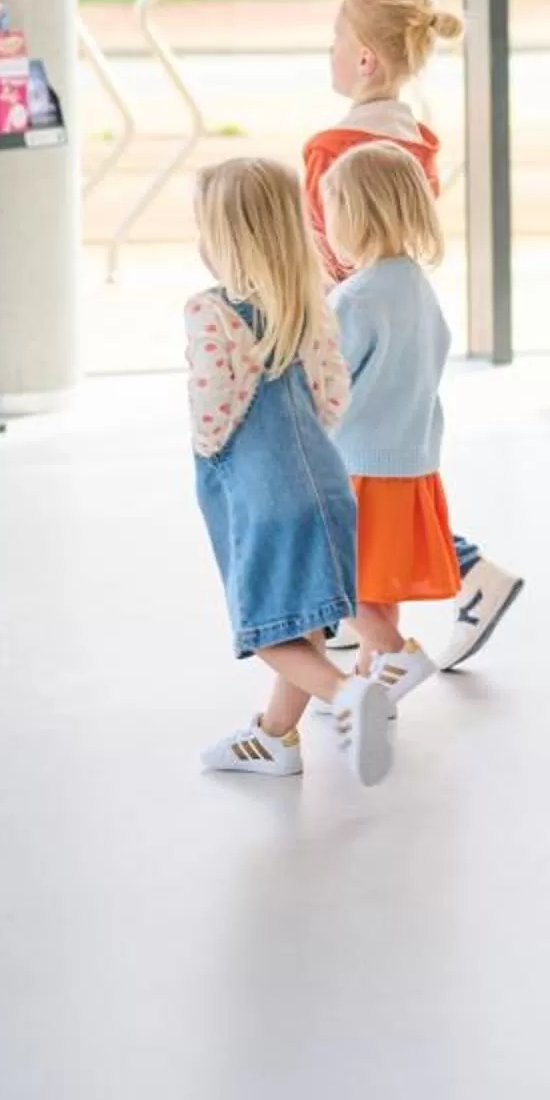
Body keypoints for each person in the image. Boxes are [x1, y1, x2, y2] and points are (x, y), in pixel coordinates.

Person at [304, 0, 525, 673]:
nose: (329, 53)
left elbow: (323, 254)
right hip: (398, 375)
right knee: (388, 509)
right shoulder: (416, 141)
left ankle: (372, 631)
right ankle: (388, 625)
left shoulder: (331, 147)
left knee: (345, 506)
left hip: (343, 346)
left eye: (336, 41)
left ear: (365, 59)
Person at [186, 157, 399, 787]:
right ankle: (274, 737)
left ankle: (346, 694)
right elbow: (333, 397)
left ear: (222, 239)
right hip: (326, 487)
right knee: (302, 619)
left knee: (266, 627)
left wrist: (210, 449)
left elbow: (212, 410)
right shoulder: (311, 308)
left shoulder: (210, 311)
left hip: (262, 497)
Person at [320, 140, 464, 702]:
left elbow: (328, 386)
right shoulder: (416, 288)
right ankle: (368, 682)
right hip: (411, 461)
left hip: (358, 464)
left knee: (334, 579)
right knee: (377, 583)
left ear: (353, 216)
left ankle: (401, 659)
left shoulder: (355, 299)